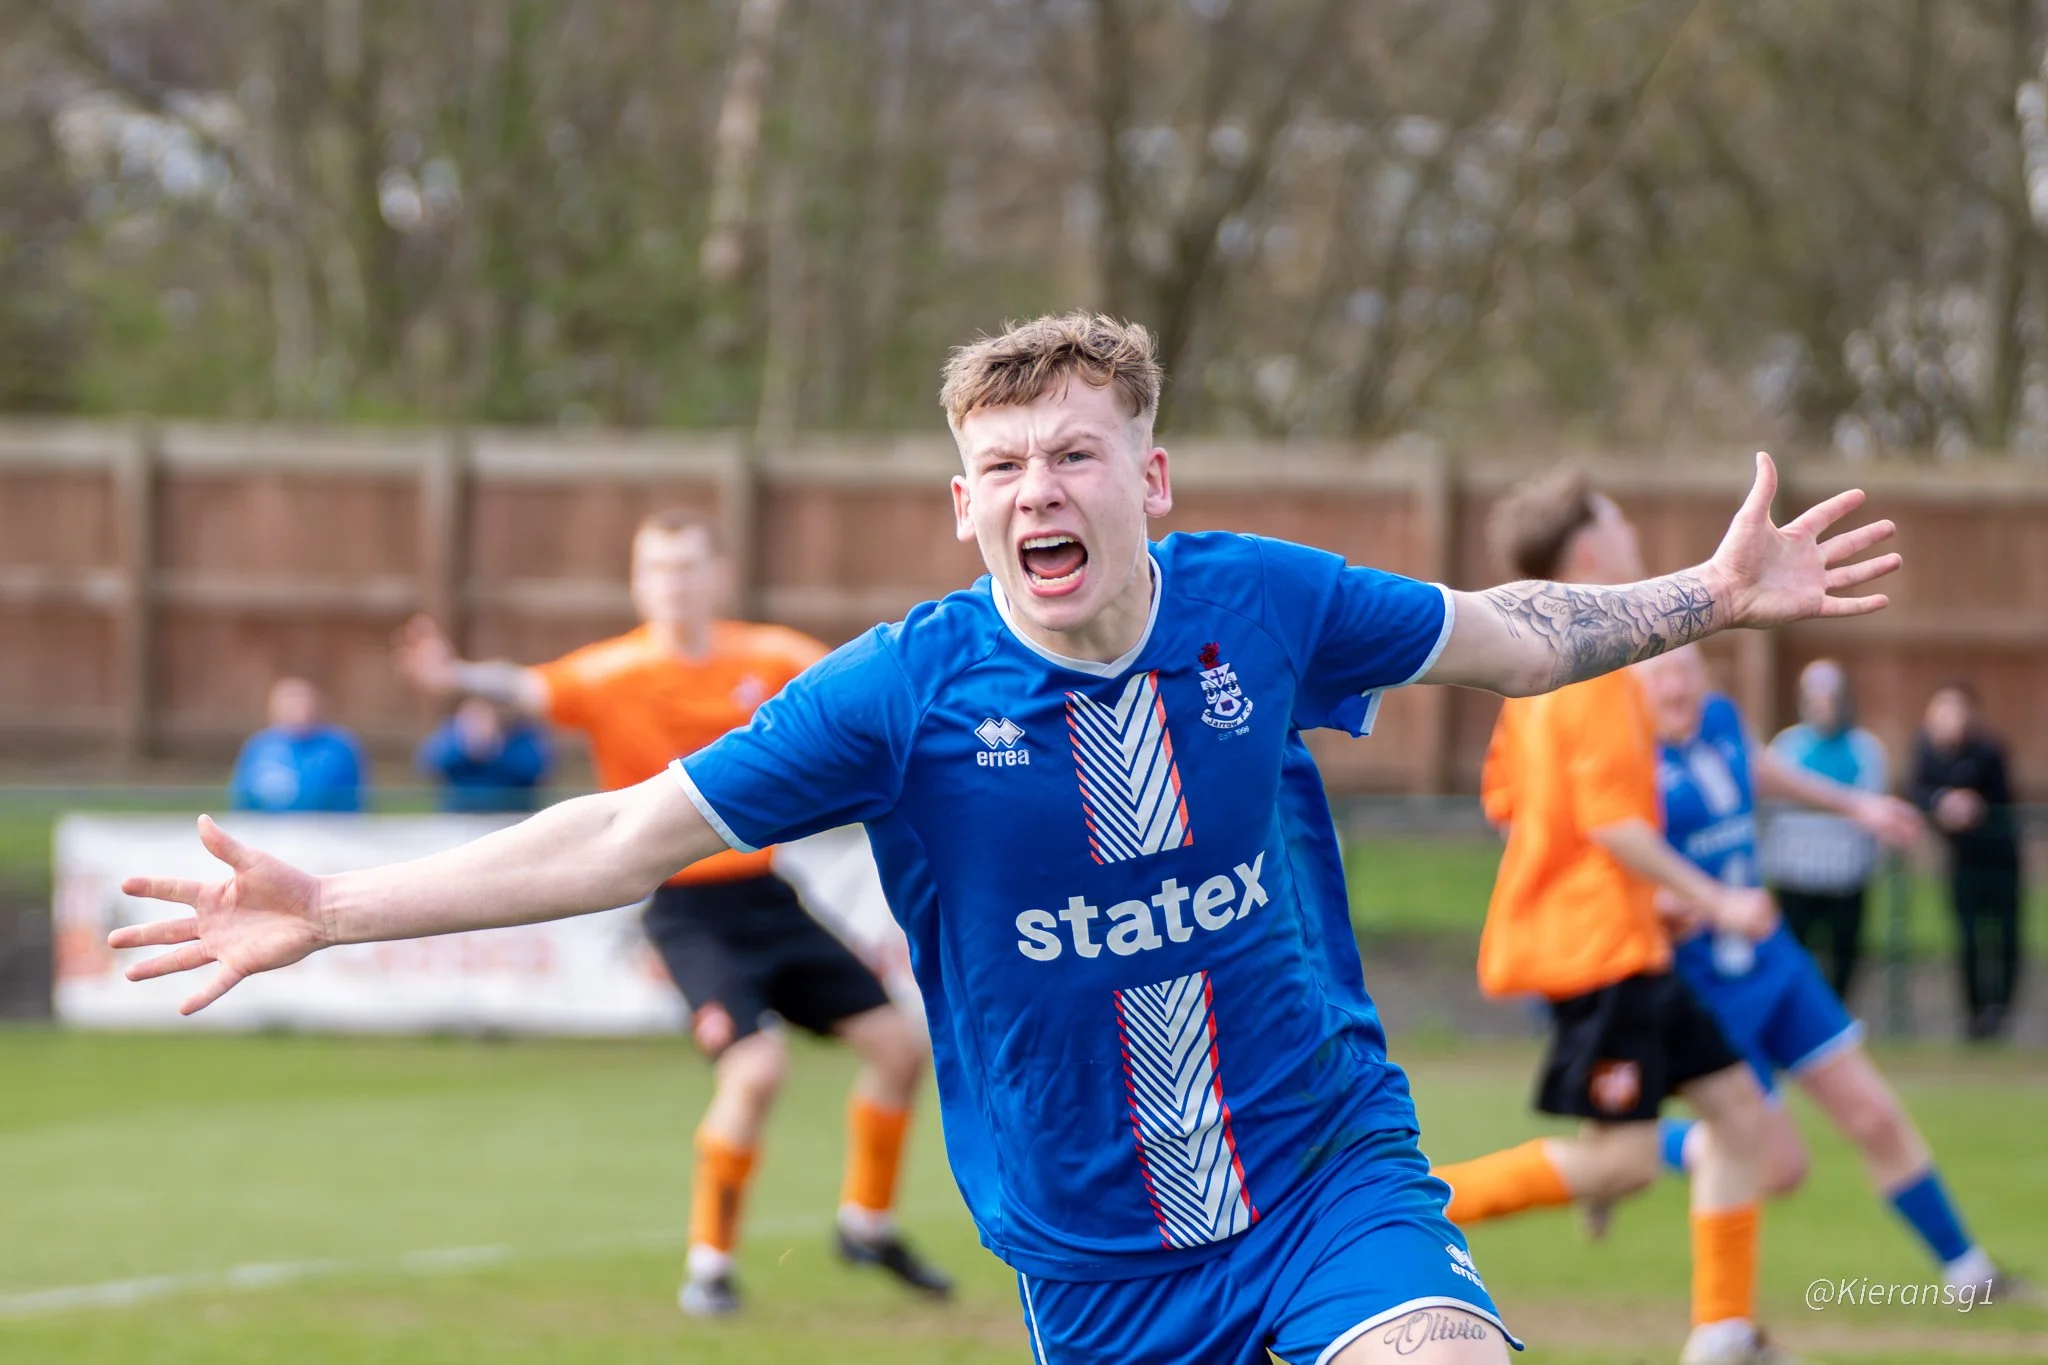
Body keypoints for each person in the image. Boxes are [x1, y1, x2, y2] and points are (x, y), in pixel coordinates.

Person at [110, 313, 1899, 1365]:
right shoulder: (893, 695)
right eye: (1005, 465)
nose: (1041, 489)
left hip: (1320, 1177)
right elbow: (623, 833)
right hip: (1088, 1248)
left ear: (1150, 478)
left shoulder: (1261, 609)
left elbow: (1508, 637)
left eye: (1076, 453)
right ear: (960, 503)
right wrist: (333, 902)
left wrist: (1702, 599)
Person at [393, 511, 949, 1316]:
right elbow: (525, 687)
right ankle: (710, 1267)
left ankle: (866, 1225)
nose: (672, 583)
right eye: (656, 568)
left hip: (765, 893)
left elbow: (867, 688)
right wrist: (453, 676)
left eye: (687, 566)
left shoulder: (770, 655)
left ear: (717, 576)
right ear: (636, 581)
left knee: (900, 1047)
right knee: (756, 1070)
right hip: (684, 908)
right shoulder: (613, 673)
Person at [1429, 470, 1789, 1365]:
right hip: (1597, 950)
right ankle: (1407, 1204)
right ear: (1591, 550)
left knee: (1742, 1119)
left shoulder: (1536, 662)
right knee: (1624, 1161)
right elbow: (1609, 820)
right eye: (1619, 519)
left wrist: (1639, 890)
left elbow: (1510, 798)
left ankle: (1724, 1336)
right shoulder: (1593, 655)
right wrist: (1718, 901)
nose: (1634, 531)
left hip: (1621, 938)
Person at [1632, 646, 2024, 1303]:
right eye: (1661, 672)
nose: (1678, 682)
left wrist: (1857, 806)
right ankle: (1637, 1149)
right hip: (1707, 990)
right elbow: (1614, 879)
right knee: (1780, 1168)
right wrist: (1696, 904)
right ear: (1633, 687)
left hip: (1773, 961)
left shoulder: (1721, 720)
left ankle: (1970, 1275)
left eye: (1689, 667)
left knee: (1874, 1114)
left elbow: (1767, 773)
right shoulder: (1625, 761)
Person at [1760, 660, 1890, 1000]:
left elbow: (1870, 802)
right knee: (1794, 952)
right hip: (1794, 873)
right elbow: (1773, 803)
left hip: (1845, 876)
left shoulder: (1864, 749)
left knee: (1844, 955)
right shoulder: (1787, 746)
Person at [1911, 684, 2026, 1041]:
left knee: (2006, 936)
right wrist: (1944, 801)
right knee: (1969, 938)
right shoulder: (1928, 752)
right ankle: (1976, 1015)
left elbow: (2002, 796)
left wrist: (1973, 805)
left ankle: (2000, 1011)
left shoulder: (1988, 750)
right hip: (1963, 863)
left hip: (2000, 860)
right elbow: (1920, 791)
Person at [227, 677, 366, 813]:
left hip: (323, 829)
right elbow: (242, 798)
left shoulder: (339, 749)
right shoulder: (259, 746)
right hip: (268, 830)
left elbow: (351, 800)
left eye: (301, 704)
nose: (296, 711)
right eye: (289, 704)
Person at [415, 697, 552, 813]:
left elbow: (534, 769)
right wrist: (465, 751)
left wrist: (495, 752)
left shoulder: (520, 736)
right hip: (460, 814)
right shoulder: (452, 737)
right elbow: (430, 764)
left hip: (511, 815)